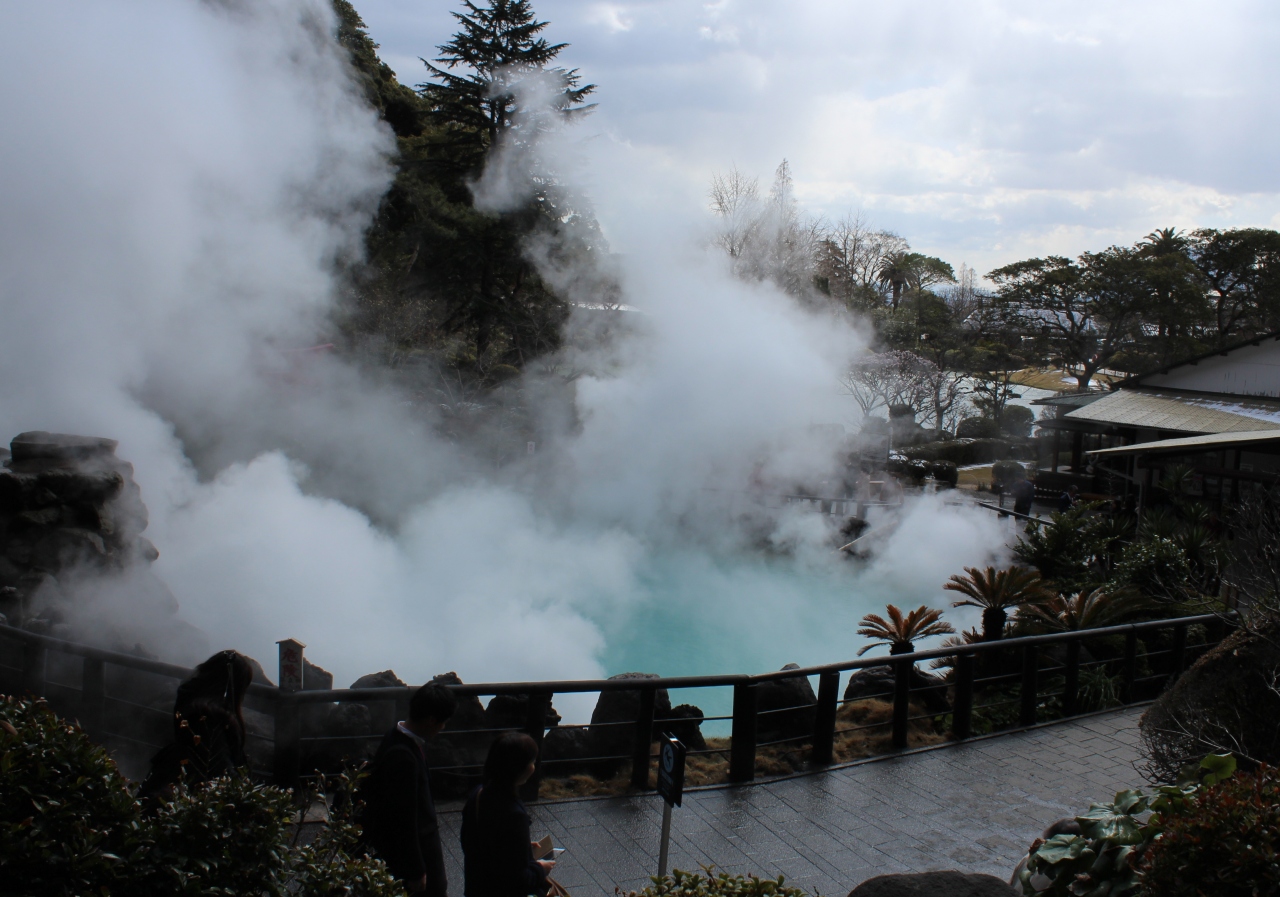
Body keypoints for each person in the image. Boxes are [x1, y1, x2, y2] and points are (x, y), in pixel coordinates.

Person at [363, 683, 458, 896]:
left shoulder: (394, 736)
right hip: (420, 853)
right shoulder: (404, 758)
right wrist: (415, 870)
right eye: (442, 722)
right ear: (431, 720)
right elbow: (403, 819)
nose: (443, 727)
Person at [138, 649, 253, 804]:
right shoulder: (212, 718)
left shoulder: (189, 697)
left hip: (167, 777)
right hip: (194, 799)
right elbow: (219, 767)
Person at [461, 733, 554, 897]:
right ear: (519, 768)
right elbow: (519, 879)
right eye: (532, 762)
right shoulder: (514, 815)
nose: (533, 767)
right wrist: (540, 868)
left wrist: (520, 847)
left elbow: (473, 842)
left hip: (477, 887)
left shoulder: (478, 794)